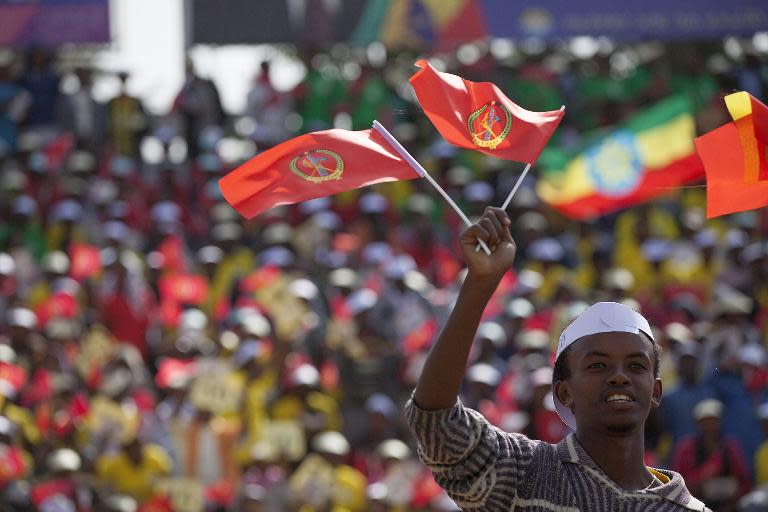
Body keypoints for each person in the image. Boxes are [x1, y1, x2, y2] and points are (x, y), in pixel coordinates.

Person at [406, 207, 710, 511]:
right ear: (564, 391)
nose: (619, 376)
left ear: (655, 391)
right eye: (597, 365)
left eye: (635, 365)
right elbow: (438, 426)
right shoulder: (526, 473)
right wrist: (480, 282)